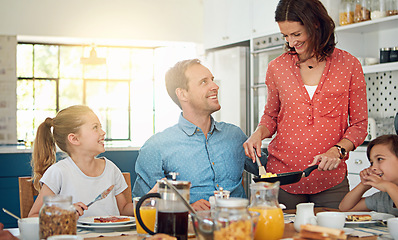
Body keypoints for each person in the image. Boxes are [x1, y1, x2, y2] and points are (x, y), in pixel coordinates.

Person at [243, 0, 368, 209]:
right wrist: (258, 133)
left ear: (315, 25)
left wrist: (337, 150)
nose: (291, 42)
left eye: (297, 34)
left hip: (330, 181)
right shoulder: (277, 68)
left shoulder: (349, 65)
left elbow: (359, 124)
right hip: (283, 178)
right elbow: (271, 116)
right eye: (286, 36)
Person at [133, 59, 262, 211]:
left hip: (239, 229)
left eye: (212, 80)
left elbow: (269, 171)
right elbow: (144, 205)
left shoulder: (234, 135)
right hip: (190, 231)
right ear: (182, 94)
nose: (215, 86)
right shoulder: (156, 146)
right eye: (204, 82)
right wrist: (185, 209)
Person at [28, 105, 134, 217]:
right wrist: (64, 213)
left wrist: (147, 202)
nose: (103, 132)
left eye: (100, 127)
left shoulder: (111, 169)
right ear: (74, 139)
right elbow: (33, 216)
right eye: (95, 127)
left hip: (113, 235)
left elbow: (123, 209)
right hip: (76, 235)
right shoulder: (59, 172)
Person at [339, 135, 398, 216]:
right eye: (371, 163)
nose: (373, 167)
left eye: (380, 159)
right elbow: (345, 209)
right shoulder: (382, 198)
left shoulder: (388, 189)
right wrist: (364, 185)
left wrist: (390, 187)